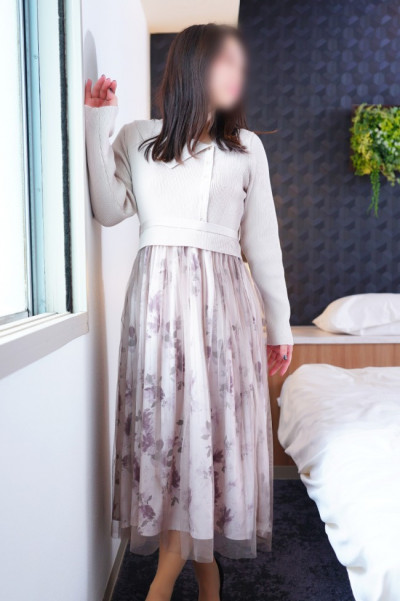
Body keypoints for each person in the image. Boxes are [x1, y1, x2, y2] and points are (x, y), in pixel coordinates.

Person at [85, 23, 293, 601]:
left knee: (211, 434)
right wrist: (98, 123)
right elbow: (107, 208)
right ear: (193, 67)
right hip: (157, 310)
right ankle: (204, 574)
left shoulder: (246, 148)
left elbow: (264, 245)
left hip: (225, 310)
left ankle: (173, 578)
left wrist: (280, 326)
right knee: (166, 434)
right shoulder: (139, 137)